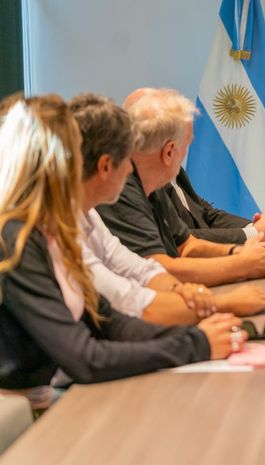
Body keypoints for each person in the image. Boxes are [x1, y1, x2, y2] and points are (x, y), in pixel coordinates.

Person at [0, 94, 246, 411]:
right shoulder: (16, 240)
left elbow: (110, 320)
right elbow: (85, 359)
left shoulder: (55, 230)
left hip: (47, 402)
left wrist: (197, 336)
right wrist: (196, 344)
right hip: (22, 417)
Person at [70, 93, 265, 324]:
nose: (129, 168)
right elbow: (135, 298)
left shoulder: (92, 213)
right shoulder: (109, 198)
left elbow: (149, 268)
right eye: (124, 157)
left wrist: (242, 254)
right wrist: (237, 279)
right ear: (104, 165)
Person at [96, 88, 265, 286]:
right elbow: (156, 269)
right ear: (169, 152)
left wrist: (244, 251)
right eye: (187, 146)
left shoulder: (153, 185)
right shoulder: (119, 188)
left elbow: (188, 246)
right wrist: (245, 264)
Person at [123, 87, 265, 245]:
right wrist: (255, 234)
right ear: (169, 151)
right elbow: (180, 242)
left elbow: (204, 214)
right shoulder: (137, 185)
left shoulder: (172, 172)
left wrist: (260, 227)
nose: (185, 152)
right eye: (186, 143)